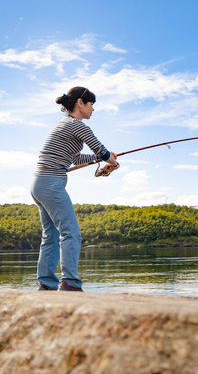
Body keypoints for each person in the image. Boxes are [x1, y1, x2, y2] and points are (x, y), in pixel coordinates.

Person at [31, 87, 118, 292]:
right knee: (71, 233)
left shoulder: (63, 125)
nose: (93, 109)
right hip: (52, 183)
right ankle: (70, 283)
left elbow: (76, 158)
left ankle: (46, 284)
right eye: (91, 104)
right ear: (80, 103)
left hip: (39, 184)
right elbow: (99, 149)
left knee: (50, 236)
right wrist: (111, 160)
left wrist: (102, 158)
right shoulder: (77, 125)